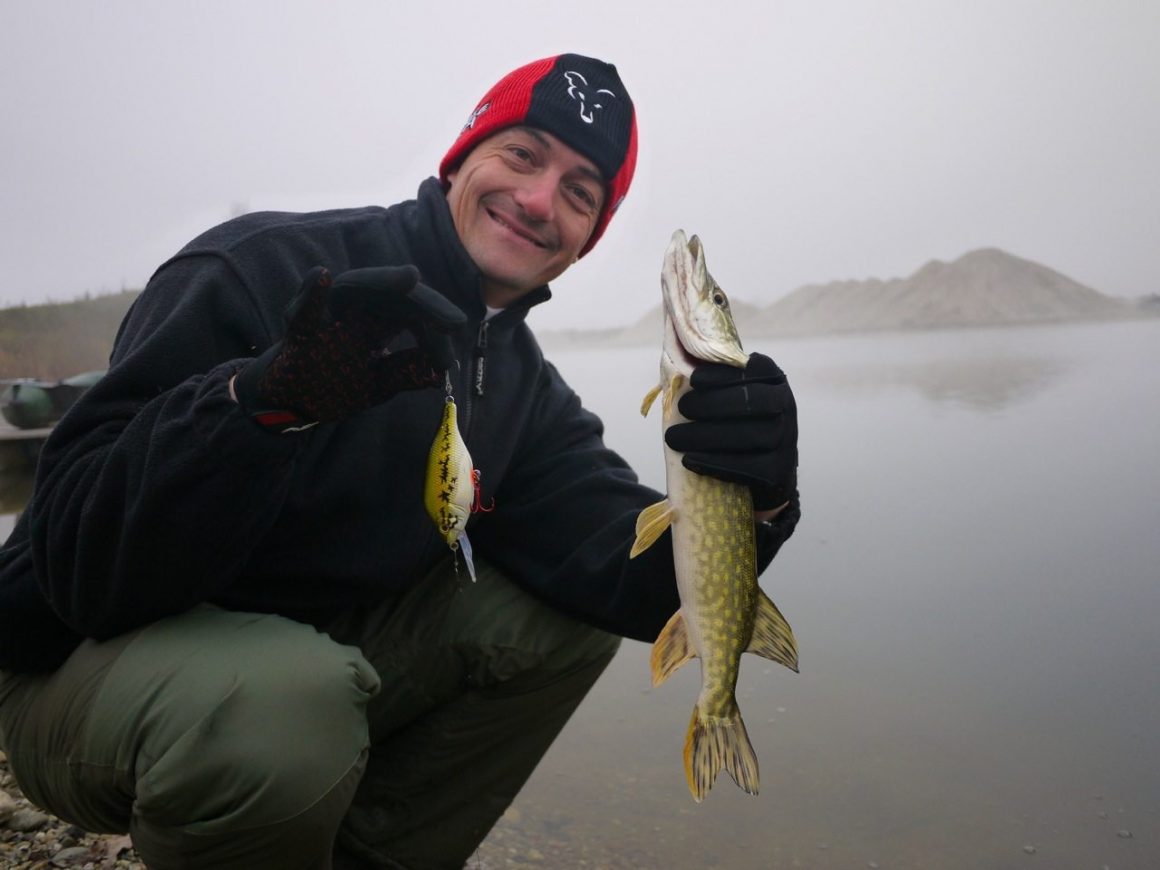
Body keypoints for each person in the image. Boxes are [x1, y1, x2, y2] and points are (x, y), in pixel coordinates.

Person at [0, 54, 800, 870]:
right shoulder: (258, 268)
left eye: (579, 193)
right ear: (462, 157)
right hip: (71, 656)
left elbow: (618, 569)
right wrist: (258, 405)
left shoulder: (520, 387)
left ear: (585, 240)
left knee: (560, 623)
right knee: (285, 706)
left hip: (302, 650)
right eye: (523, 156)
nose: (538, 201)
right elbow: (73, 561)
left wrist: (757, 499)